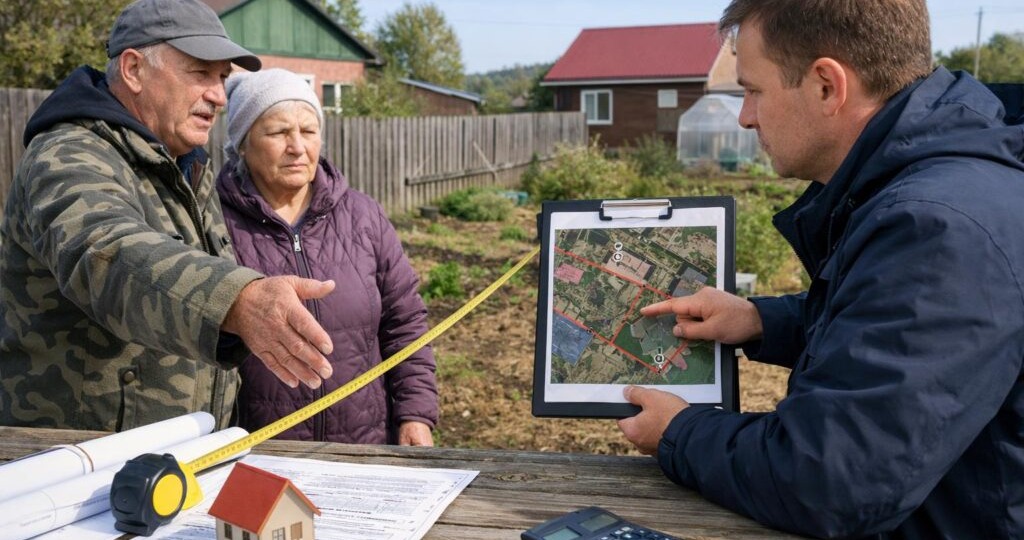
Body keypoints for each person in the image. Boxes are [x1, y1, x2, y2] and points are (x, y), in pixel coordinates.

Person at [617, 0, 1024, 538]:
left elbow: (832, 479)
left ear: (827, 85)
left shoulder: (938, 228)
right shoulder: (929, 188)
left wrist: (679, 432)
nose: (745, 116)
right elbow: (899, 334)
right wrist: (763, 321)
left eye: (753, 90)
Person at [0, 0, 339, 433]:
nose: (218, 95)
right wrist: (236, 299)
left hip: (175, 459)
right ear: (134, 69)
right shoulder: (69, 152)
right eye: (200, 73)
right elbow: (105, 252)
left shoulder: (188, 165)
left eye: (222, 78)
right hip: (83, 468)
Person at [216, 68, 438, 445]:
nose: (298, 147)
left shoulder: (363, 215)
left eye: (308, 130)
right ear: (242, 142)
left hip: (365, 447)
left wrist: (415, 414)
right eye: (277, 132)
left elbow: (405, 322)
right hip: (261, 452)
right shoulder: (213, 223)